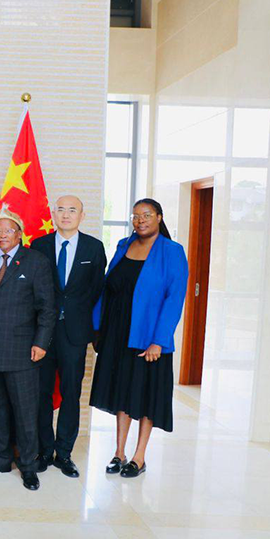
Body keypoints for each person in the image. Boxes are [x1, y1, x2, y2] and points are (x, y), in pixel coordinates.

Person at [89, 198, 188, 478]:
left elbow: (174, 299)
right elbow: (108, 289)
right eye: (135, 216)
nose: (140, 220)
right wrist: (97, 329)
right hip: (118, 334)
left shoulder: (172, 252)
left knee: (146, 396)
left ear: (159, 217)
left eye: (146, 215)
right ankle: (119, 452)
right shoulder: (124, 245)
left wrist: (159, 340)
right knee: (122, 392)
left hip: (149, 338)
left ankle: (139, 457)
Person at [0, 209, 57, 490]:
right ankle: (1, 458)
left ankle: (29, 466)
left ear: (19, 234)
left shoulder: (36, 262)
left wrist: (41, 342)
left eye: (8, 230)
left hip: (22, 352)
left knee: (25, 412)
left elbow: (48, 308)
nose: (2, 235)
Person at [27, 195, 107, 478]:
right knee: (42, 393)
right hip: (43, 333)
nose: (66, 214)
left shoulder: (93, 248)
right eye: (60, 209)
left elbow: (97, 290)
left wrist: (88, 325)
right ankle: (44, 450)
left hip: (75, 332)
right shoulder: (39, 245)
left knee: (72, 393)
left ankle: (64, 453)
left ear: (81, 216)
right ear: (53, 214)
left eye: (72, 210)